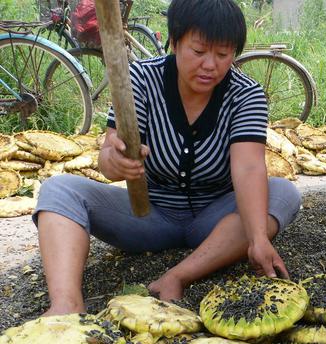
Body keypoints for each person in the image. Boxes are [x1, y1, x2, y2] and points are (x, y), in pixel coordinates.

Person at [34, 0, 301, 315]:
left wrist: (257, 238)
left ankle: (177, 275)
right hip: (148, 217)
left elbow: (248, 167)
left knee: (284, 193)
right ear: (174, 42)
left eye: (223, 54)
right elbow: (107, 159)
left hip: (217, 222)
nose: (210, 65)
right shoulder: (138, 80)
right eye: (199, 51)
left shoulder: (247, 95)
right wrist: (115, 161)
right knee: (59, 190)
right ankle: (65, 306)